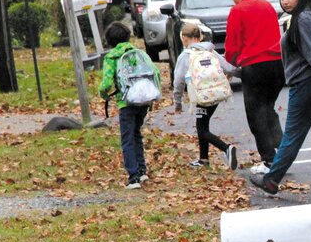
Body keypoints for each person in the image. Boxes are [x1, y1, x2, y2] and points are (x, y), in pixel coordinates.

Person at [249, 0, 311, 196]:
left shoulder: (304, 18)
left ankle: (271, 180)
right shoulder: (302, 16)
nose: (285, 1)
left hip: (307, 86)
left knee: (292, 136)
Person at [224, 0, 285, 175]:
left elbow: (232, 45)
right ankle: (283, 150)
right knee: (268, 107)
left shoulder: (237, 11)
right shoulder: (266, 5)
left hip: (255, 66)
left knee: (256, 113)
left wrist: (230, 65)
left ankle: (269, 160)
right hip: (277, 64)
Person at [98, 21, 160, 189]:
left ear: (109, 41)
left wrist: (103, 95)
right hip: (143, 100)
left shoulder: (111, 57)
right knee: (136, 134)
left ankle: (133, 177)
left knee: (127, 138)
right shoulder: (138, 53)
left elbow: (106, 83)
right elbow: (156, 72)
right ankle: (142, 170)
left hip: (126, 102)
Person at [172, 23, 240, 169]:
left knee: (202, 129)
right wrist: (245, 75)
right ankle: (203, 159)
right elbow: (228, 67)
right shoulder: (210, 51)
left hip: (201, 96)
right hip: (216, 93)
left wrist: (177, 102)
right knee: (202, 124)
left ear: (184, 38)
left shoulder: (185, 56)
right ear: (200, 37)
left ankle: (226, 148)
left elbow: (178, 81)